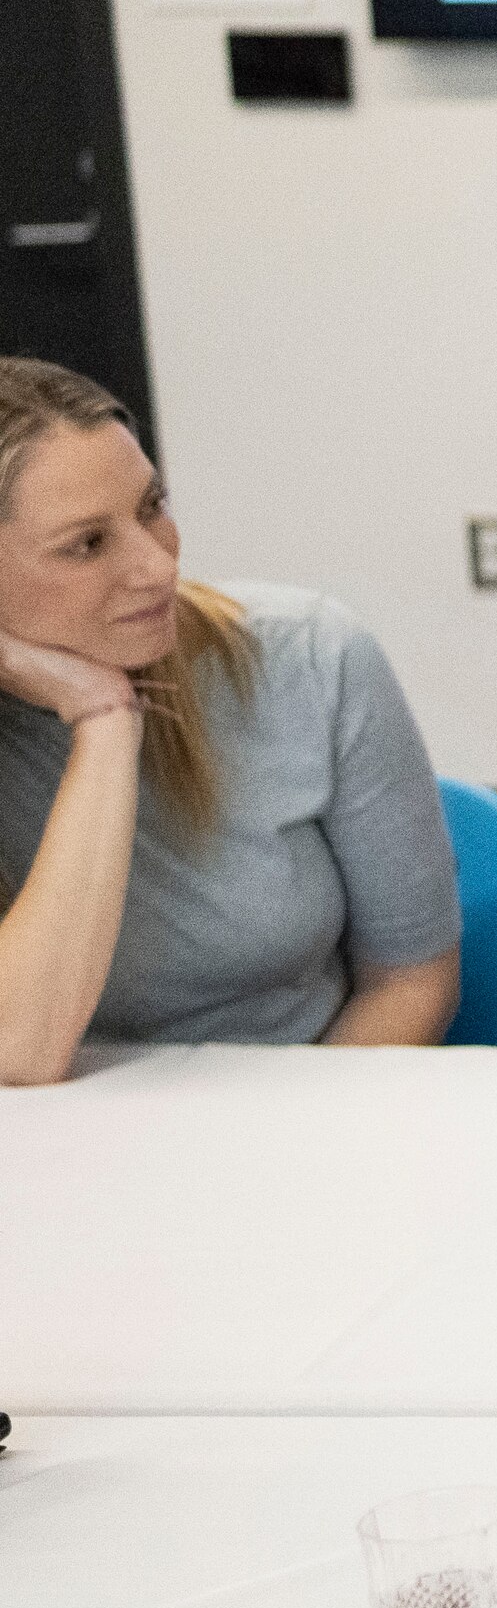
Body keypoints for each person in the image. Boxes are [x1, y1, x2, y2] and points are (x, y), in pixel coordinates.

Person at [0, 358, 456, 1083]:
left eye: (153, 506)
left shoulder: (312, 658)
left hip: (307, 1123)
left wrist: (293, 1150)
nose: (157, 567)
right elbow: (17, 1052)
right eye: (88, 543)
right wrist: (105, 718)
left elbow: (412, 982)